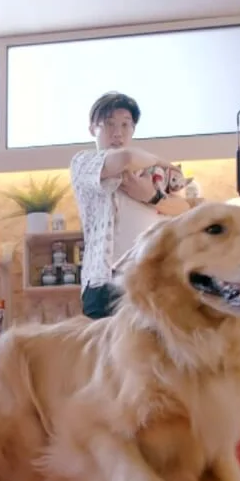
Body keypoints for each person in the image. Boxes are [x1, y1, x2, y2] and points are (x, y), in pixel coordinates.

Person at [69, 91, 190, 319]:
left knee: (151, 342)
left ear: (133, 129)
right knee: (106, 341)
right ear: (92, 129)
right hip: (105, 283)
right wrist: (161, 161)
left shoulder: (154, 172)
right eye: (108, 124)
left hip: (150, 281)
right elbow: (126, 159)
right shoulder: (84, 163)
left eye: (125, 125)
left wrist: (152, 196)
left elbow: (184, 210)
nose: (118, 133)